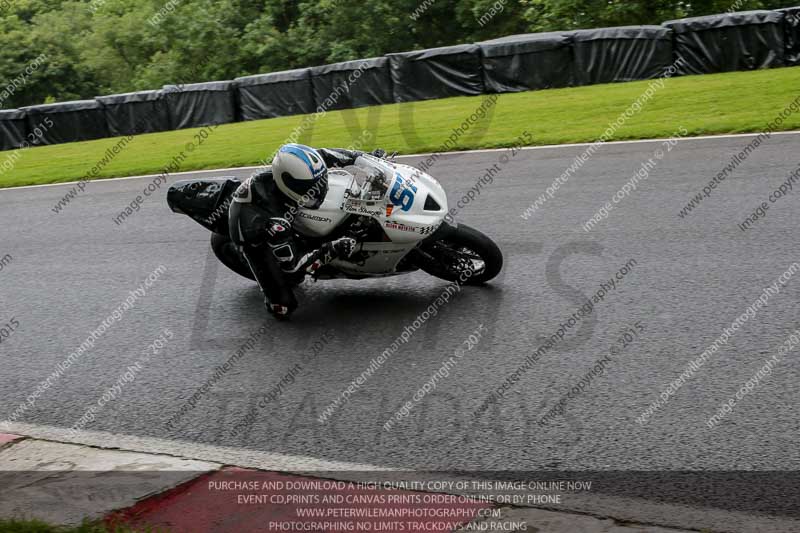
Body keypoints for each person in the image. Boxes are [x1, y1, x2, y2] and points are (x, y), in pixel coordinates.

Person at [228, 143, 374, 318]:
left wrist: (366, 158)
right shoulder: (276, 223)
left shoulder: (304, 169)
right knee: (284, 307)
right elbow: (294, 266)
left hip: (276, 206)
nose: (319, 191)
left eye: (320, 182)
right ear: (291, 186)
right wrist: (333, 248)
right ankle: (271, 295)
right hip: (250, 227)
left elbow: (329, 154)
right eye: (311, 188)